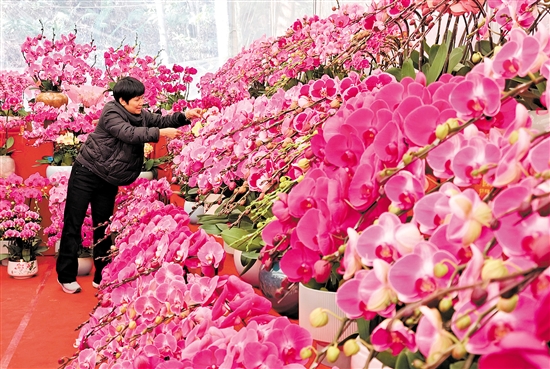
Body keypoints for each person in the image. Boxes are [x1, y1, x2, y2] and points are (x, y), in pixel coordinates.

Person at [56, 76, 202, 294]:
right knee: (73, 223)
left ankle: (101, 275)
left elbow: (161, 121)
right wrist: (160, 134)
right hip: (86, 172)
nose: (141, 103)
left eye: (142, 98)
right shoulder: (111, 112)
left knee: (103, 228)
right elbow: (128, 133)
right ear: (122, 101)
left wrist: (185, 116)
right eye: (137, 99)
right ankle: (66, 275)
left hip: (109, 178)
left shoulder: (140, 114)